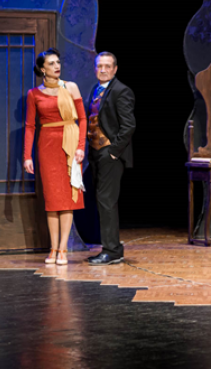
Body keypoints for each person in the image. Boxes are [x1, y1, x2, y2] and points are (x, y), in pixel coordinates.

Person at [23, 49, 87, 266]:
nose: (56, 66)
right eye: (51, 63)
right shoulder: (34, 94)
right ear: (42, 69)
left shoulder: (70, 87)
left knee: (67, 199)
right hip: (47, 146)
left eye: (58, 62)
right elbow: (30, 126)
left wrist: (81, 147)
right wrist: (27, 156)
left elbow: (83, 119)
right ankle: (53, 248)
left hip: (70, 144)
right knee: (52, 200)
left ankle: (63, 250)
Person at [85, 52, 136, 266]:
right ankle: (112, 248)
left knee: (106, 201)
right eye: (100, 66)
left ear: (115, 69)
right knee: (102, 200)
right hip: (96, 153)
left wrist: (113, 151)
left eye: (107, 66)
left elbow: (128, 125)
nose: (103, 70)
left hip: (110, 154)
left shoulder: (121, 91)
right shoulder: (96, 89)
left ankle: (111, 251)